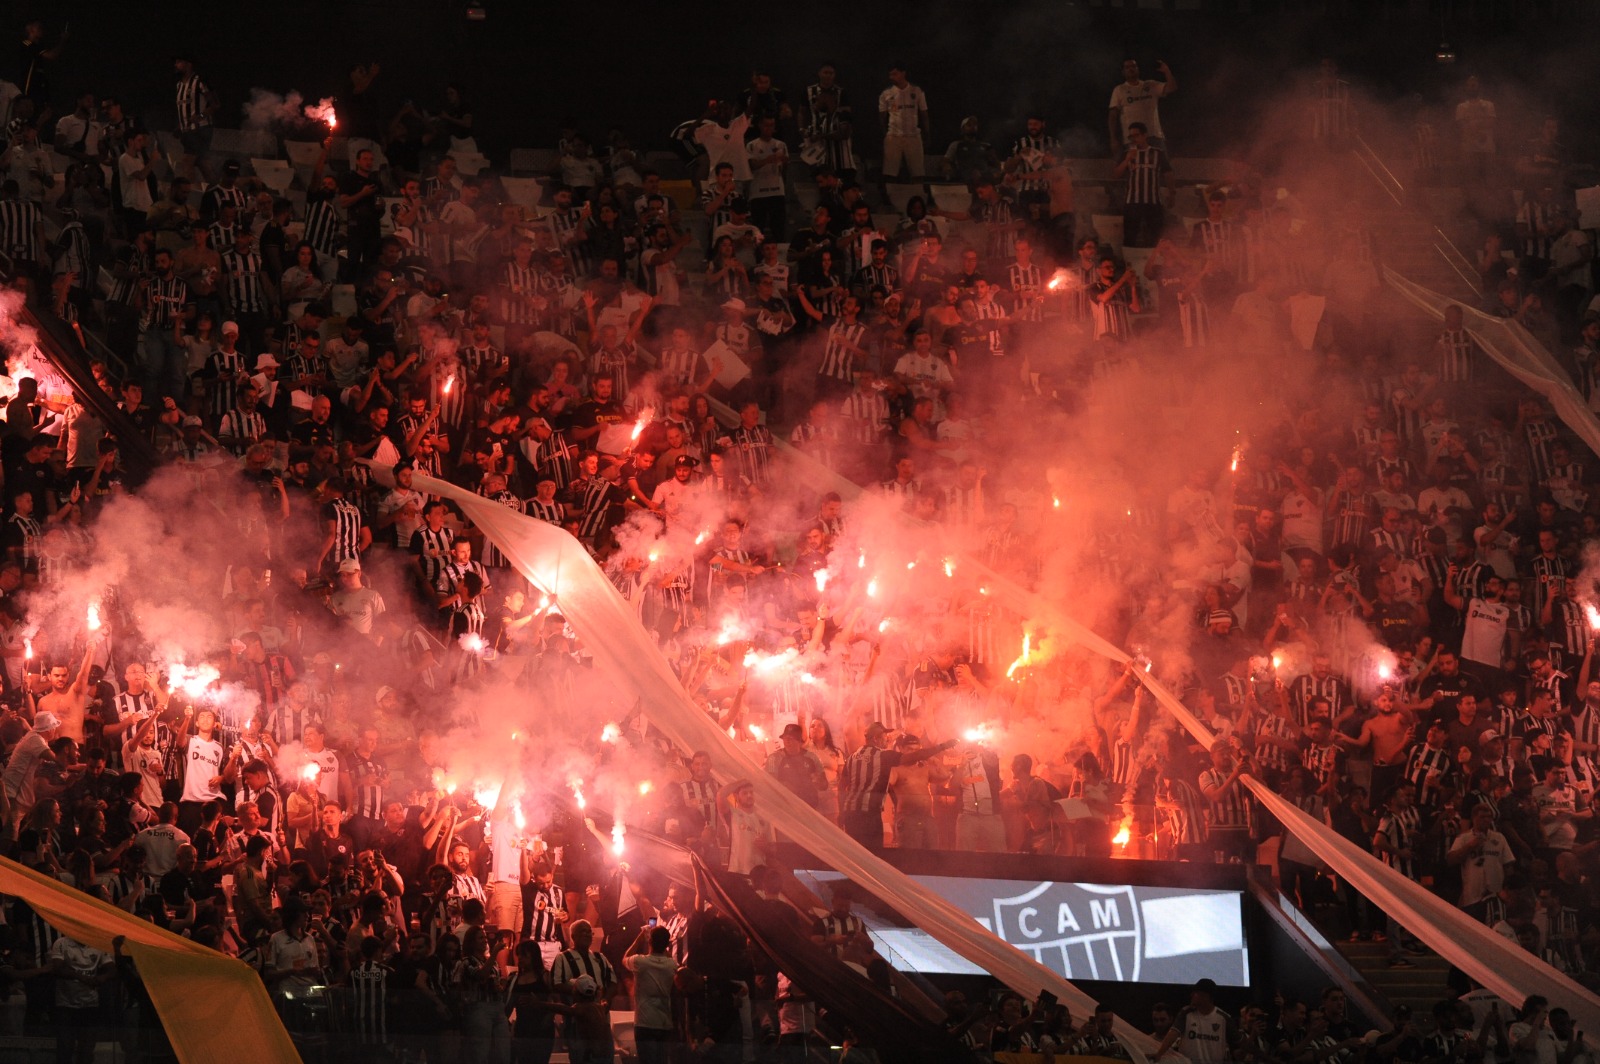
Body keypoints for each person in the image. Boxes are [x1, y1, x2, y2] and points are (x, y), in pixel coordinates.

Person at [624, 926, 677, 1064]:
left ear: (650, 942)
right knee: (662, 1061)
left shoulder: (640, 961)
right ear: (667, 944)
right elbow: (667, 958)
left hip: (644, 1022)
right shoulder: (671, 964)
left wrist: (639, 939)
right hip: (664, 1022)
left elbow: (624, 959)